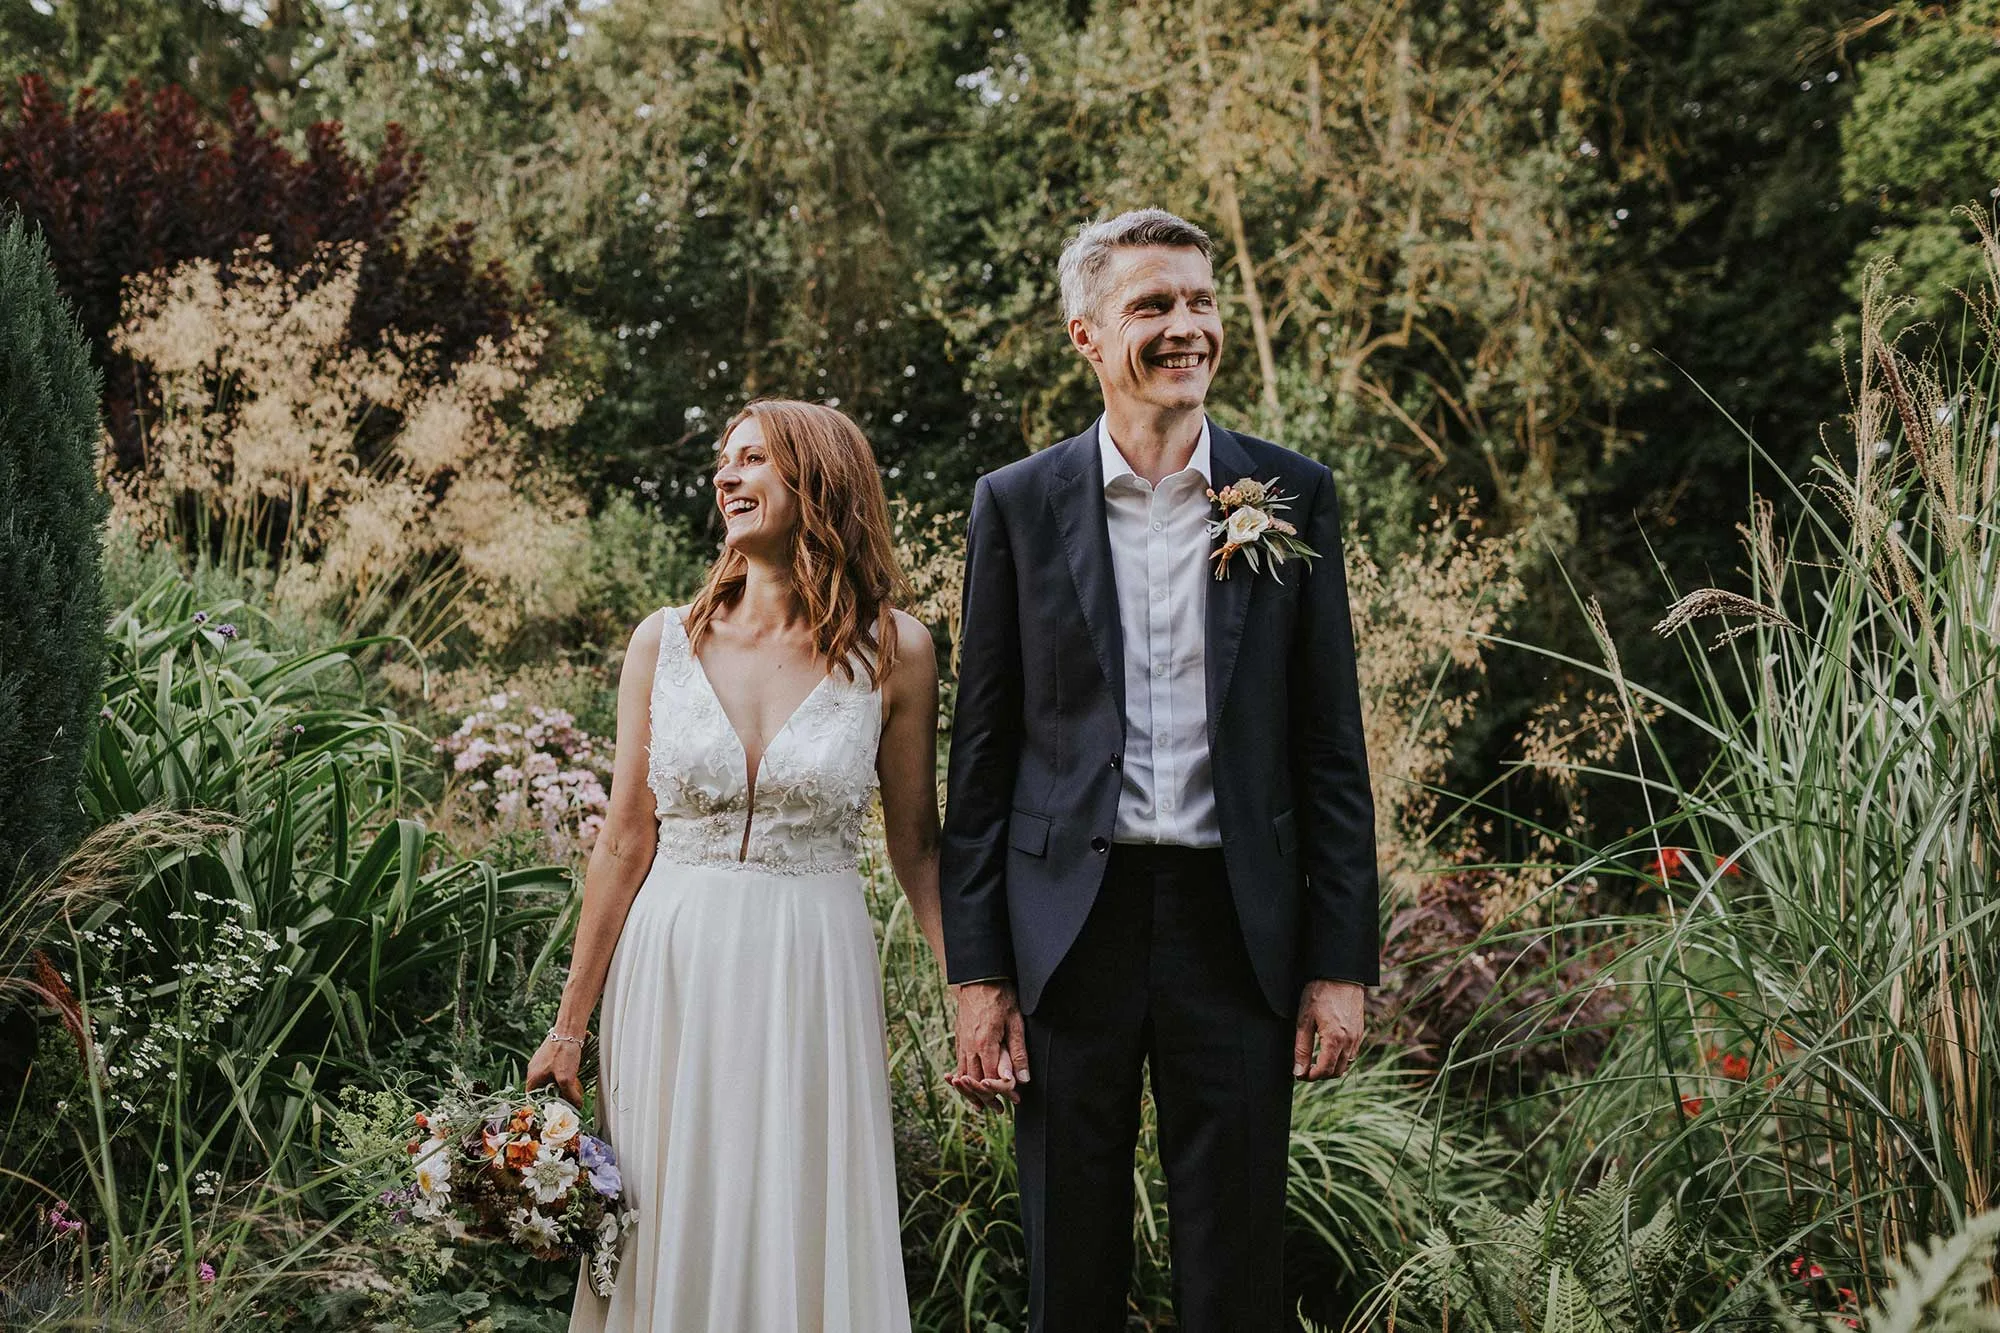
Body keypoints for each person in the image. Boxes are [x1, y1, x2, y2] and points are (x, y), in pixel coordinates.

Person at [939, 208, 1381, 1332]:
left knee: (1233, 1266)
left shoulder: (1288, 494)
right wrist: (978, 975)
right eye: (1153, 306)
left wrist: (1337, 960)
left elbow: (1329, 749)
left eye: (1200, 301)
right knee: (1068, 1269)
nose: (1187, 328)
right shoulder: (1016, 503)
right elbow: (981, 757)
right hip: (1065, 929)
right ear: (1086, 335)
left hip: (1234, 929)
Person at [527, 399, 943, 1333]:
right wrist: (566, 1030)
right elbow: (625, 840)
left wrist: (976, 1000)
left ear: (819, 480)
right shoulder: (664, 642)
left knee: (799, 1198)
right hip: (673, 967)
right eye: (723, 459)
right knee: (670, 1202)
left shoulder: (897, 651)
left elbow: (918, 848)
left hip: (813, 969)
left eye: (752, 458)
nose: (726, 475)